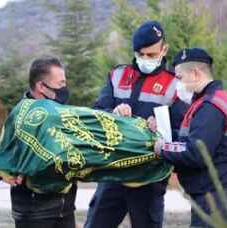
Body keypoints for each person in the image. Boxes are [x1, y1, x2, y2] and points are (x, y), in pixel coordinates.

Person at [85, 20, 187, 228]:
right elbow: (95, 114)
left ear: (163, 49)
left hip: (149, 177)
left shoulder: (176, 85)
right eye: (140, 55)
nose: (145, 59)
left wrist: (161, 128)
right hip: (113, 172)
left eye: (150, 55)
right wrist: (113, 113)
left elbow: (182, 133)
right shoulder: (117, 75)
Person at [152, 48, 227, 227]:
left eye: (179, 77)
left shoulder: (210, 107)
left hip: (217, 202)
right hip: (216, 199)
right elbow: (195, 139)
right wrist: (164, 131)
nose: (177, 84)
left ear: (195, 73)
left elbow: (196, 152)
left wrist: (162, 148)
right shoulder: (210, 101)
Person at [10, 56, 76, 228]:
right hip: (35, 214)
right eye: (60, 84)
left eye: (65, 83)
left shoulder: (61, 113)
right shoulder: (21, 118)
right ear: (41, 87)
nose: (64, 89)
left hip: (65, 210)